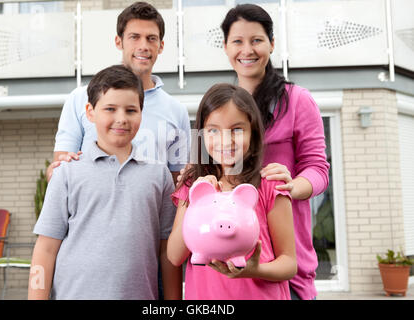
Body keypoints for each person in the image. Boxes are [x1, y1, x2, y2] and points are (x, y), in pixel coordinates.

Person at [28, 65, 180, 300]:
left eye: (131, 110)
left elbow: (166, 252)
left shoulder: (158, 175)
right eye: (110, 109)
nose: (121, 119)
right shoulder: (67, 173)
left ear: (142, 112)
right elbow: (45, 250)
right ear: (90, 112)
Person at [221, 4, 330, 300]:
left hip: (283, 261)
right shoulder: (219, 104)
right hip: (229, 260)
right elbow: (204, 169)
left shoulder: (297, 100)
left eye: (256, 40)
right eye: (238, 41)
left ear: (272, 43)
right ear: (225, 46)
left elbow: (318, 170)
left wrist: (292, 186)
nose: (247, 50)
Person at [167, 83, 297, 300]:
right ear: (201, 134)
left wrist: (255, 271)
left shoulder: (270, 185)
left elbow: (289, 263)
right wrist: (196, 201)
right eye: (213, 131)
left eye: (237, 129)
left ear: (252, 133)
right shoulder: (192, 186)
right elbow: (174, 256)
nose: (225, 140)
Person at [47, 2, 190, 184]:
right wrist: (54, 171)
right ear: (118, 41)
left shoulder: (177, 111)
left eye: (151, 38)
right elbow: (60, 171)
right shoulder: (80, 99)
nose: (143, 46)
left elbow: (178, 184)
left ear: (161, 46)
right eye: (134, 37)